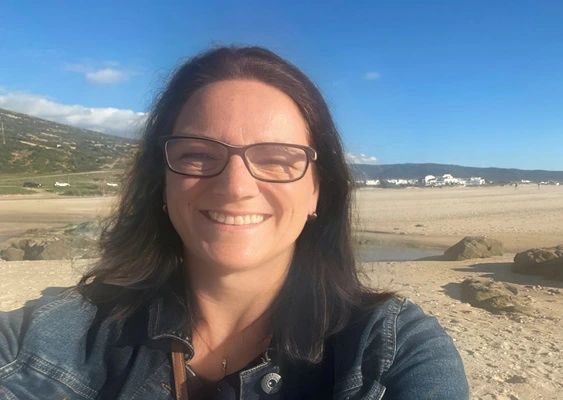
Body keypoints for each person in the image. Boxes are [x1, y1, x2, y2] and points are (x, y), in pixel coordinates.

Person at [0, 46, 469, 399]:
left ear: (317, 191)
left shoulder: (387, 353)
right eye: (198, 155)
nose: (236, 187)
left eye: (277, 159)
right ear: (161, 182)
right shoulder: (43, 343)